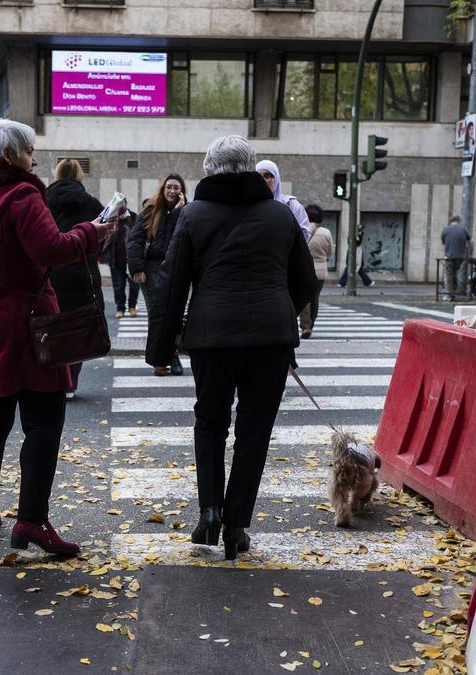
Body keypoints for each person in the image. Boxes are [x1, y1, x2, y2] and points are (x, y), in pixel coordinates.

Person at [0, 117, 116, 556]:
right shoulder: (20, 195)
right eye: (28, 151)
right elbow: (53, 250)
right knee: (43, 423)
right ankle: (31, 522)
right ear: (9, 156)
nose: (34, 158)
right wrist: (91, 233)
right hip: (24, 321)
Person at [146, 135, 315, 561]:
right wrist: (280, 310)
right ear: (250, 165)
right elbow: (306, 282)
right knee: (254, 432)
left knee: (210, 422)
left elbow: (171, 286)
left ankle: (210, 510)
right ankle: (237, 526)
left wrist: (161, 349)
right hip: (271, 340)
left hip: (211, 338)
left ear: (208, 168)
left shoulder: (192, 216)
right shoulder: (281, 217)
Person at [45, 158, 107, 400]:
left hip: (52, 273)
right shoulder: (91, 204)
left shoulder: (43, 200)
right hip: (82, 272)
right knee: (79, 328)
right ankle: (71, 381)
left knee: (54, 327)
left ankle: (55, 378)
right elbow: (102, 235)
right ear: (80, 176)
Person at [127, 174, 186, 376]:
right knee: (157, 314)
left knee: (175, 313)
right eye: (169, 187)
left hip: (176, 268)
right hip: (151, 269)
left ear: (182, 191)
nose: (172, 191)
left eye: (176, 188)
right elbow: (135, 239)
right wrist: (137, 268)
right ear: (163, 189)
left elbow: (180, 239)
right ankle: (160, 360)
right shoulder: (150, 210)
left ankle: (173, 354)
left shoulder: (185, 212)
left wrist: (179, 212)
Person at [299, 204, 334, 339]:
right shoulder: (326, 233)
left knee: (304, 299)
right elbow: (330, 252)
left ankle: (305, 326)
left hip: (304, 269)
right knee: (315, 298)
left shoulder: (302, 230)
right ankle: (311, 325)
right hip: (320, 271)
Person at [255, 159, 311, 241]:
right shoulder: (250, 204)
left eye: (267, 176)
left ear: (276, 178)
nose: (262, 180)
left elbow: (304, 233)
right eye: (259, 176)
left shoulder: (291, 205)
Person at [105, 208, 140, 318]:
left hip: (131, 261)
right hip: (116, 261)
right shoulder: (110, 219)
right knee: (118, 286)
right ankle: (120, 309)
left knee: (134, 286)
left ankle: (132, 307)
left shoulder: (132, 218)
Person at [440, 215, 472, 301]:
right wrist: (470, 254)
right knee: (454, 274)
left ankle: (450, 295)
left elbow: (443, 242)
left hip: (449, 256)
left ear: (451, 221)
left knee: (448, 276)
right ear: (459, 221)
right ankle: (454, 292)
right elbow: (470, 241)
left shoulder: (446, 229)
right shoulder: (463, 228)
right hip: (460, 257)